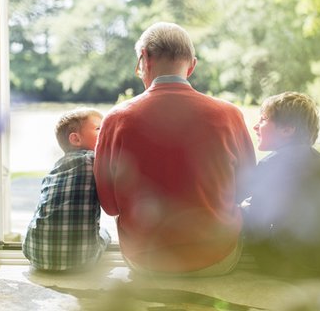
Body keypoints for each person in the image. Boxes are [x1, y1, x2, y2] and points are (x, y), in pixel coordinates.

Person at [93, 22, 256, 276]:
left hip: (146, 262)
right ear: (192, 65)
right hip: (217, 258)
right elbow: (245, 189)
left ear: (144, 58)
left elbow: (110, 206)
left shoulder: (116, 119)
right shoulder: (229, 115)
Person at [243, 91, 320, 277]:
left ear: (287, 129)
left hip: (290, 264)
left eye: (263, 120)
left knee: (240, 215)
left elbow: (256, 227)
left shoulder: (270, 163)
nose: (255, 126)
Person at [23, 107, 111, 272]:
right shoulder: (94, 160)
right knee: (105, 233)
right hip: (81, 260)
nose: (106, 132)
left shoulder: (55, 168)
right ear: (76, 139)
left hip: (35, 253)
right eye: (100, 129)